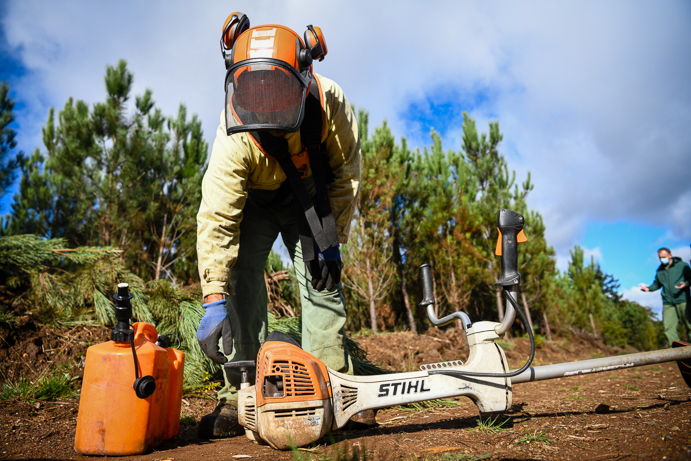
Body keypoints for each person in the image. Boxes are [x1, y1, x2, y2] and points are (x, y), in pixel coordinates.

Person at [194, 13, 362, 438]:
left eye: (277, 92)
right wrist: (214, 297)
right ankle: (243, 394)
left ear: (305, 74)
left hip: (308, 193)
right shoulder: (233, 135)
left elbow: (345, 175)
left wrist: (331, 240)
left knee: (321, 281)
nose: (266, 102)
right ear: (240, 83)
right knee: (242, 279)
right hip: (254, 200)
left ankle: (334, 386)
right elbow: (217, 216)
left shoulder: (330, 103)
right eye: (257, 93)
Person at [641, 247, 691, 346]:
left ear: (670, 255)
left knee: (690, 324)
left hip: (683, 299)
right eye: (660, 258)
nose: (662, 259)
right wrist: (648, 288)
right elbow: (657, 284)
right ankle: (675, 351)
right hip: (668, 302)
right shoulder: (660, 270)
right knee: (668, 327)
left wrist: (685, 283)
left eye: (664, 257)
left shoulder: (682, 266)